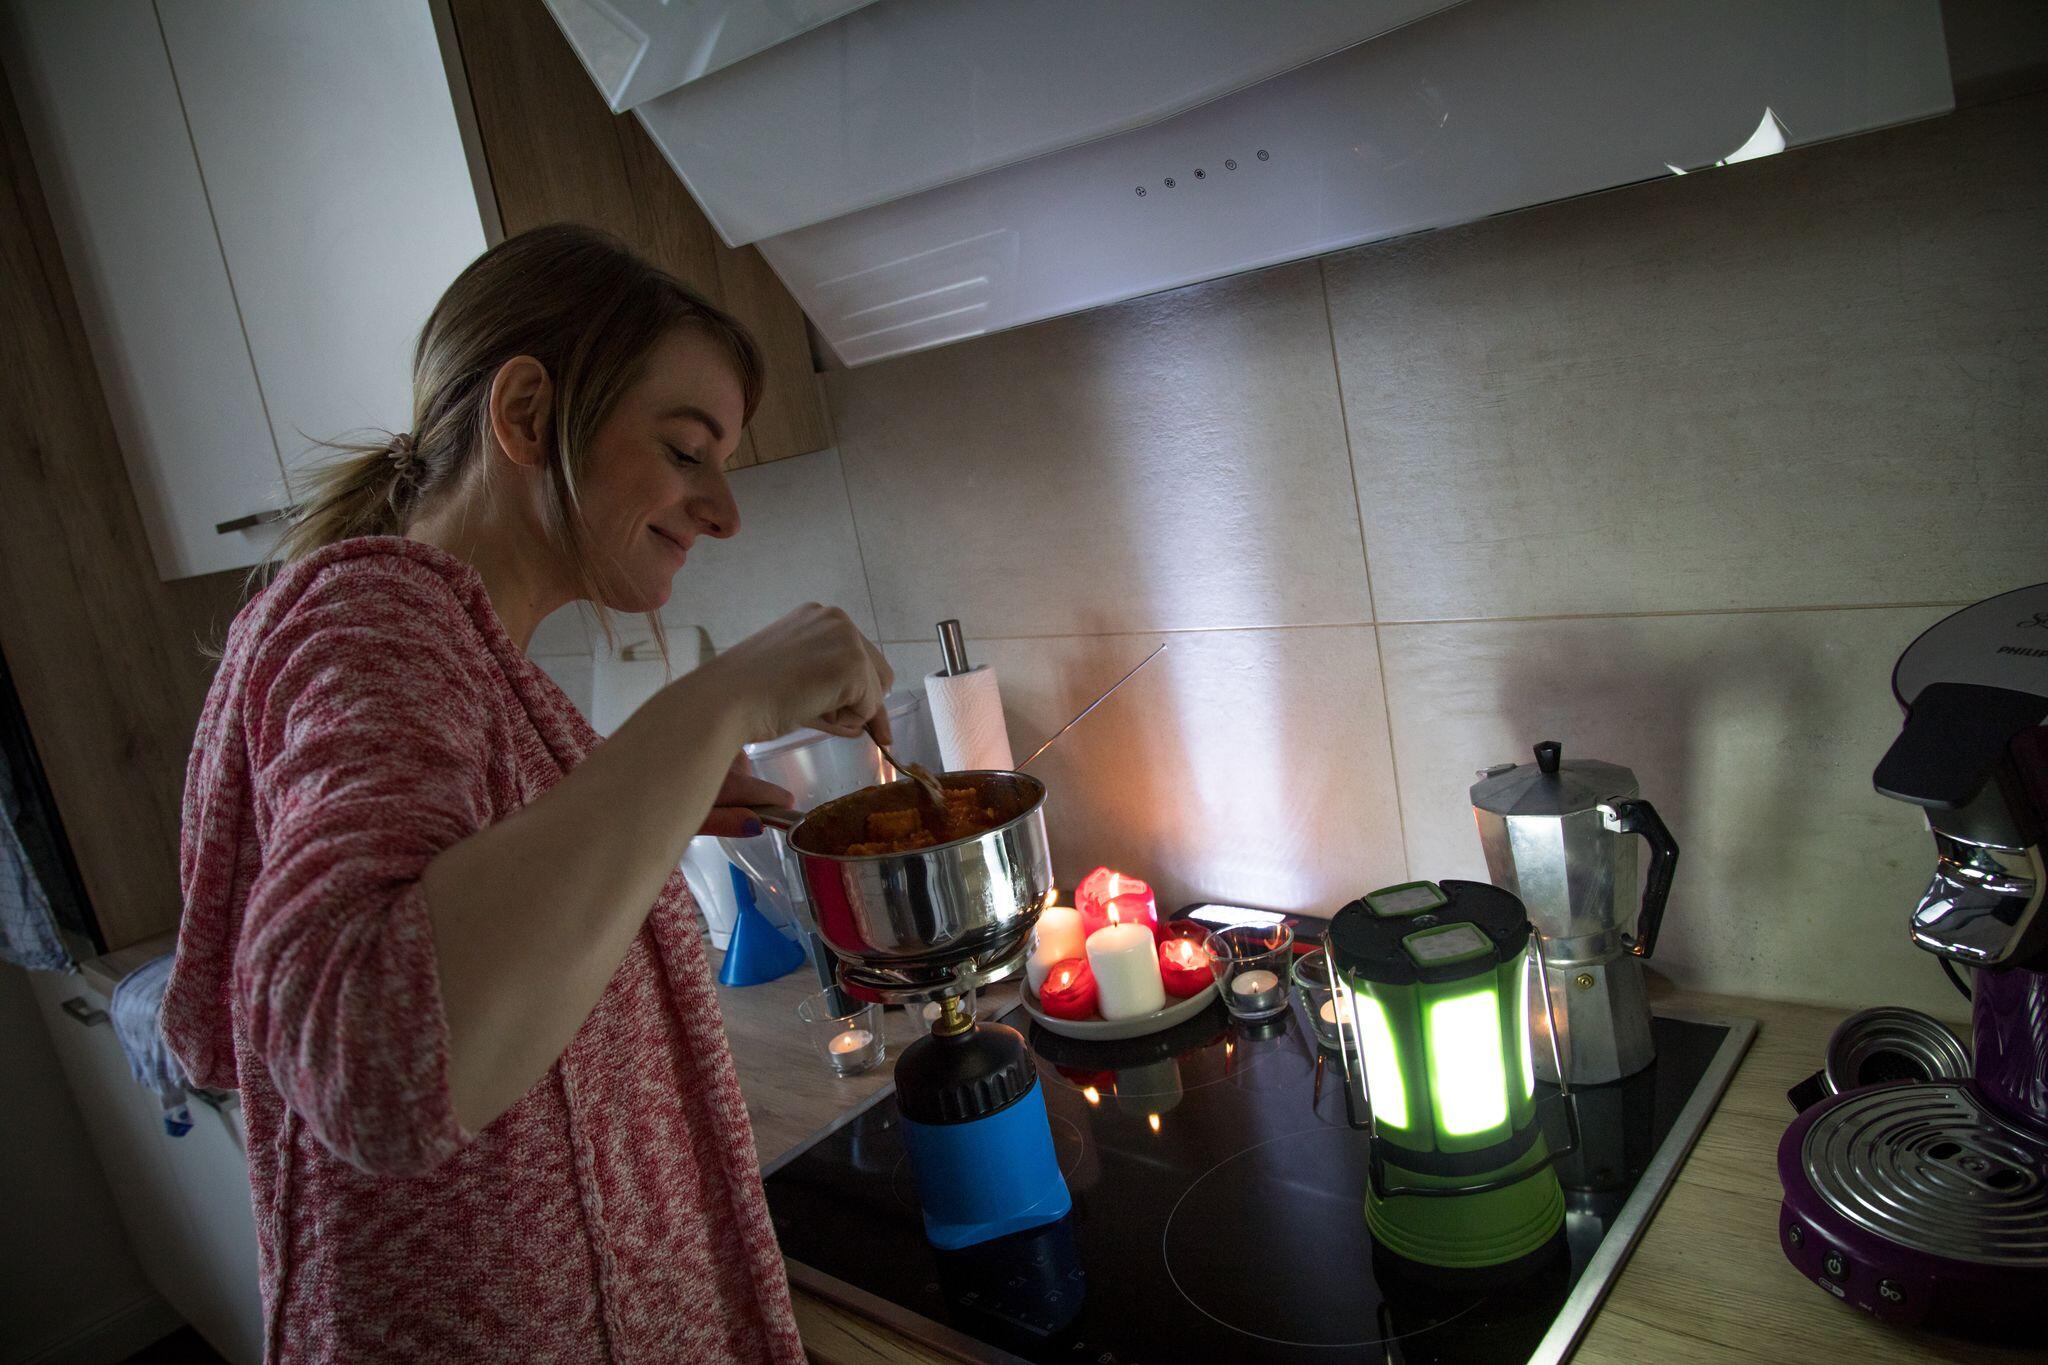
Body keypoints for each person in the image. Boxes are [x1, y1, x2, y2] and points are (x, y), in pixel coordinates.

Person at [163, 224, 893, 1362]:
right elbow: (375, 1059)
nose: (723, 510)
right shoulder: (373, 621)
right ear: (525, 415)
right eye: (685, 449)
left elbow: (467, 901)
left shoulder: (467, 656)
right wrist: (719, 702)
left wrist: (639, 797)